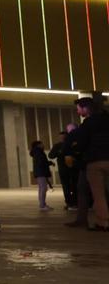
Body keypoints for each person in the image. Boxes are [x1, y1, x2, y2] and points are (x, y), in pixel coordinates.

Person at [68, 96, 109, 231]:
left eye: (78, 109)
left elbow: (82, 142)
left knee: (99, 194)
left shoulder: (89, 123)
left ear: (86, 108)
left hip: (95, 160)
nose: (78, 111)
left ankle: (103, 223)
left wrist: (75, 151)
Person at [50, 126, 78, 211]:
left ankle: (74, 202)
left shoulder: (73, 144)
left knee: (74, 186)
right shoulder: (57, 146)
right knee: (66, 187)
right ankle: (69, 203)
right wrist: (59, 152)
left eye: (64, 137)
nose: (62, 139)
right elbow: (51, 155)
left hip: (73, 168)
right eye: (61, 137)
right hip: (63, 169)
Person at [30, 140, 53, 212]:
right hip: (41, 172)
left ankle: (43, 204)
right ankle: (42, 205)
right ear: (38, 145)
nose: (43, 145)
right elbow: (42, 162)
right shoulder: (39, 152)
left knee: (42, 188)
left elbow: (42, 162)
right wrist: (49, 163)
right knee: (43, 188)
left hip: (39, 172)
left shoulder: (37, 152)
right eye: (42, 144)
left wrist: (48, 163)